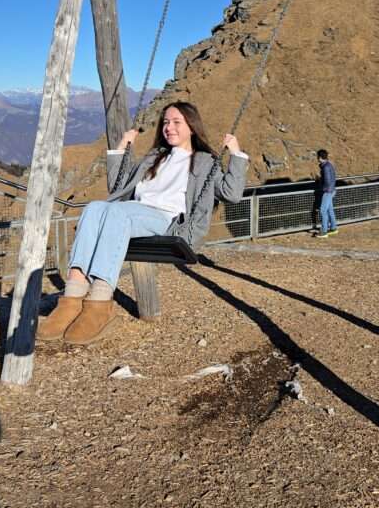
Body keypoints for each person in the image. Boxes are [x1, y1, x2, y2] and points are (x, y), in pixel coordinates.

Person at [38, 101, 249, 345]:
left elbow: (231, 193)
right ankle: (73, 296)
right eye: (166, 123)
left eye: (176, 122)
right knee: (94, 207)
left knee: (116, 213)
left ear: (192, 127)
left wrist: (235, 152)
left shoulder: (204, 161)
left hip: (165, 220)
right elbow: (119, 187)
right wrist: (122, 147)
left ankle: (100, 302)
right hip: (133, 212)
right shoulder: (155, 157)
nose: (169, 127)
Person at [316, 149, 338, 238]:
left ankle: (324, 231)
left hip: (327, 191)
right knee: (329, 210)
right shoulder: (329, 165)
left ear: (320, 157)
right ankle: (333, 228)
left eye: (317, 157)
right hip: (331, 190)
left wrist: (321, 185)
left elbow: (327, 181)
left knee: (323, 210)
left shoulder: (325, 167)